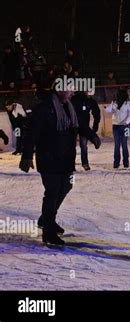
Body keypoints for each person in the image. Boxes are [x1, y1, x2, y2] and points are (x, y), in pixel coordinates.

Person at [19, 87, 101, 246]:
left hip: (66, 159)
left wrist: (92, 136)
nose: (72, 93)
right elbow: (32, 133)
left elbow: (81, 124)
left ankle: (47, 219)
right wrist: (27, 156)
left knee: (67, 185)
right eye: (69, 90)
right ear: (59, 90)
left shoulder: (70, 106)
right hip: (49, 158)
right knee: (52, 191)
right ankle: (48, 232)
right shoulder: (44, 107)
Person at [71, 90, 101, 170]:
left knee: (78, 146)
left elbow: (96, 111)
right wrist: (95, 125)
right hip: (78, 126)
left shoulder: (85, 100)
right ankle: (83, 164)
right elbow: (96, 112)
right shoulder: (76, 99)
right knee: (80, 146)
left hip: (77, 126)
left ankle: (80, 164)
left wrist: (95, 125)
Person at [104, 89, 130, 169]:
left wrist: (126, 122)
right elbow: (109, 110)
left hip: (125, 127)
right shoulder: (114, 102)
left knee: (124, 144)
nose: (116, 96)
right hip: (116, 126)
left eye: (118, 94)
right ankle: (116, 163)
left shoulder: (128, 103)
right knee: (117, 145)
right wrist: (106, 108)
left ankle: (126, 162)